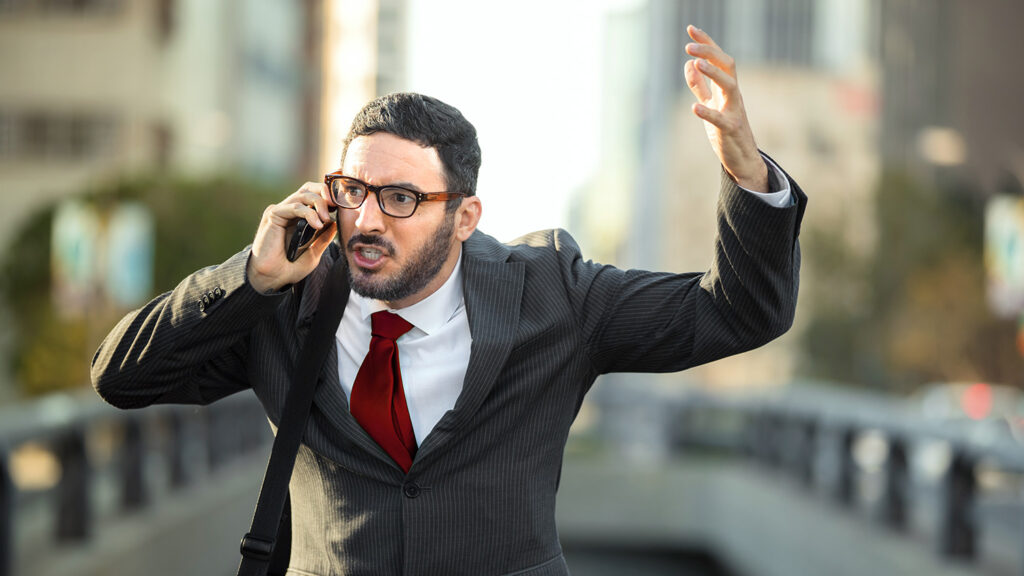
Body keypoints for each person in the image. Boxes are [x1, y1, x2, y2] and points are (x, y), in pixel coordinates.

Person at [92, 26, 805, 576]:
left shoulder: (555, 294)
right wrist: (249, 277)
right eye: (352, 192)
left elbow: (739, 312)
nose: (366, 222)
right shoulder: (281, 303)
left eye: (401, 198)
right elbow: (121, 377)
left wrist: (747, 175)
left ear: (464, 218)